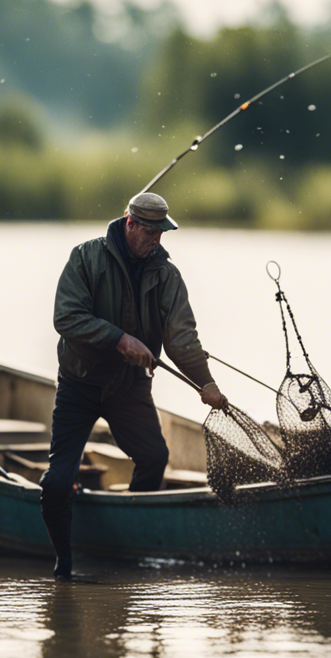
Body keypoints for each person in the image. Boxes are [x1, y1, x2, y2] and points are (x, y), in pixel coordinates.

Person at [41, 192, 227, 581]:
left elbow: (182, 338)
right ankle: (64, 564)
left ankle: (125, 543)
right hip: (79, 384)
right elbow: (67, 318)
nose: (157, 239)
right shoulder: (85, 258)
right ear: (130, 224)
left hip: (129, 388)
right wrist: (120, 339)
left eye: (162, 232)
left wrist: (205, 383)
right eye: (151, 231)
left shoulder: (167, 275)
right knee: (58, 481)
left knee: (155, 458)